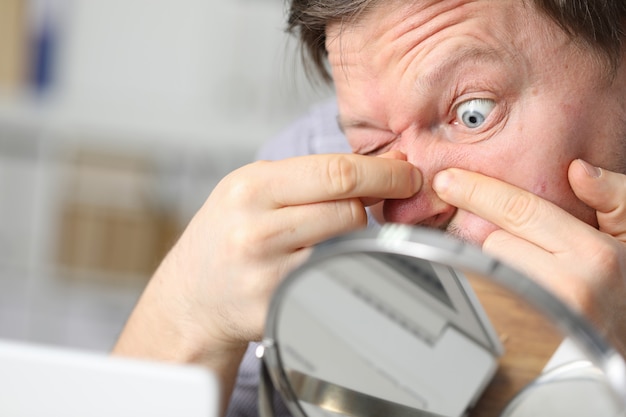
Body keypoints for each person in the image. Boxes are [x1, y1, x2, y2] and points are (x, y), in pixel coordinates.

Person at [113, 0, 626, 416]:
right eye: (374, 146)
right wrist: (184, 318)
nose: (409, 209)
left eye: (473, 114)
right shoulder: (311, 188)